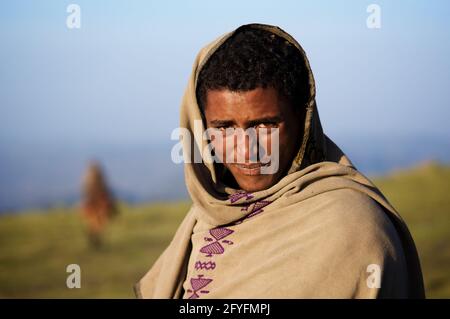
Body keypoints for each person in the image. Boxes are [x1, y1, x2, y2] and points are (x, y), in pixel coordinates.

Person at [135, 23, 424, 298]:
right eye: (224, 127)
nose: (246, 150)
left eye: (265, 125)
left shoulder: (351, 228)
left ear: (303, 119)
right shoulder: (209, 214)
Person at [81, 161, 118, 248]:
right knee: (97, 222)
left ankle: (95, 237)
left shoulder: (88, 179)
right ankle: (95, 237)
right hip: (96, 203)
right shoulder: (94, 179)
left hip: (96, 203)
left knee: (97, 222)